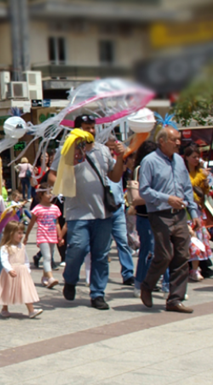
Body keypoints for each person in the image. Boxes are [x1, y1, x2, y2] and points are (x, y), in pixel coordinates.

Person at [48, 115, 125, 310]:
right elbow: (52, 175)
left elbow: (114, 177)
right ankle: (70, 279)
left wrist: (121, 157)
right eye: (86, 128)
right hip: (77, 213)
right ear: (77, 130)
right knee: (78, 249)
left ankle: (98, 293)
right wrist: (65, 181)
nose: (91, 131)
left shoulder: (102, 150)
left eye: (93, 127)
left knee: (101, 255)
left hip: (102, 213)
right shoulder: (66, 150)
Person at [138, 127, 199, 313]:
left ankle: (175, 299)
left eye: (179, 139)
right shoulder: (149, 161)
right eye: (174, 139)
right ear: (162, 141)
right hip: (160, 213)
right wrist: (167, 198)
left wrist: (194, 212)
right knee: (164, 254)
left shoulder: (180, 161)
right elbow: (144, 191)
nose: (178, 143)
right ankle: (147, 285)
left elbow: (187, 187)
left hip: (179, 213)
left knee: (182, 255)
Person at [129, 140, 170, 298]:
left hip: (162, 214)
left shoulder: (165, 167)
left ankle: (167, 284)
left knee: (165, 250)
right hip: (145, 216)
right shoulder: (139, 170)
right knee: (148, 250)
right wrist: (160, 196)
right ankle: (140, 283)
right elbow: (137, 198)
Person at [0, 221, 43, 319]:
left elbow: (26, 259)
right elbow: (4, 260)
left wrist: (27, 269)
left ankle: (31, 310)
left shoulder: (22, 246)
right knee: (7, 289)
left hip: (22, 272)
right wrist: (9, 270)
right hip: (10, 272)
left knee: (25, 290)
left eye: (22, 233)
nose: (21, 235)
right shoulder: (5, 248)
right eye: (19, 233)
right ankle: (4, 308)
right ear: (11, 234)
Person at [105, 135, 135, 286]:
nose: (111, 152)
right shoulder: (99, 163)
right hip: (103, 210)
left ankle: (128, 273)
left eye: (113, 149)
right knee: (102, 246)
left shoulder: (119, 163)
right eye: (109, 148)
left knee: (123, 242)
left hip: (117, 208)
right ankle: (98, 274)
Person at [183, 144, 213, 281]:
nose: (196, 160)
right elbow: (189, 185)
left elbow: (204, 192)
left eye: (198, 157)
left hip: (198, 209)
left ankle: (196, 269)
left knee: (199, 240)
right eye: (194, 157)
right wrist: (202, 176)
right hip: (186, 209)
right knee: (188, 242)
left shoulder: (200, 173)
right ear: (187, 158)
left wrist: (206, 182)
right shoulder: (184, 172)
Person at [24, 182, 62, 288]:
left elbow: (57, 223)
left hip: (52, 236)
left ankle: (45, 277)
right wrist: (26, 236)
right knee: (47, 257)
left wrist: (60, 236)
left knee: (49, 257)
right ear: (41, 195)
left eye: (51, 193)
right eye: (47, 193)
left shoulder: (55, 208)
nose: (50, 196)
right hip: (42, 235)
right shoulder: (37, 209)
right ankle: (50, 278)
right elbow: (31, 223)